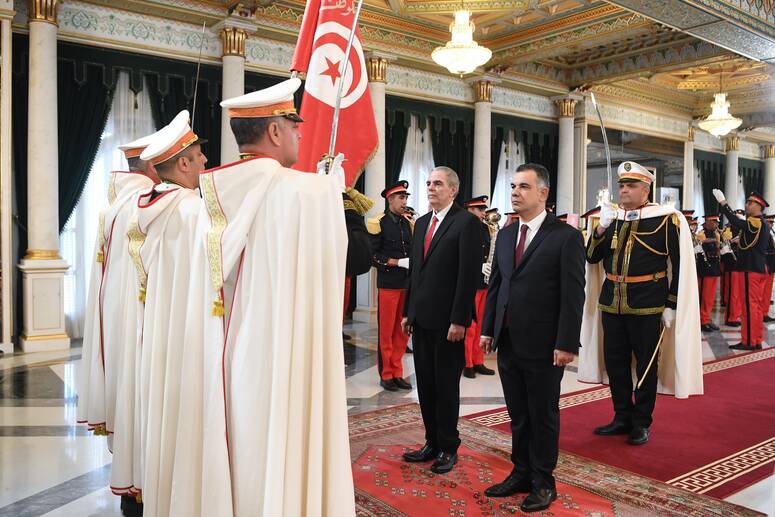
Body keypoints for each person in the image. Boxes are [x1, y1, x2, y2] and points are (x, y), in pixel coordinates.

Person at [172, 77, 355, 517]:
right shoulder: (304, 191)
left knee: (240, 437)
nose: (299, 134)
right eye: (294, 125)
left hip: (230, 347)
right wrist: (332, 186)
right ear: (274, 130)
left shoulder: (210, 194)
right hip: (286, 349)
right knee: (281, 438)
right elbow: (336, 258)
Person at [479, 163, 585, 513]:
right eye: (513, 186)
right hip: (509, 339)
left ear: (543, 193)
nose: (515, 192)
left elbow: (573, 294)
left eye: (523, 186)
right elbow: (497, 285)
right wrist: (489, 329)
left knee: (542, 414)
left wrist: (566, 342)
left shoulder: (565, 236)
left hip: (545, 343)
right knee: (518, 413)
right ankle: (521, 472)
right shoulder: (507, 233)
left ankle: (543, 481)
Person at [582, 161, 702, 446]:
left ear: (646, 189)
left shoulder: (665, 219)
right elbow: (592, 257)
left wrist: (671, 304)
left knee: (647, 366)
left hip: (648, 303)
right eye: (622, 185)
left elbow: (679, 265)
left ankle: (641, 422)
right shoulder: (610, 218)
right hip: (612, 302)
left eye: (631, 185)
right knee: (616, 363)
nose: (624, 190)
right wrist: (600, 231)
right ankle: (622, 416)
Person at [76, 131, 161, 517]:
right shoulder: (146, 205)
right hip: (141, 324)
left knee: (130, 405)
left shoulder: (115, 205)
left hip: (119, 324)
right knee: (142, 408)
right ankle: (140, 488)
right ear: (153, 165)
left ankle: (134, 489)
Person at [132, 110, 207, 516]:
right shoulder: (191, 210)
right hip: (188, 330)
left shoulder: (152, 205)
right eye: (198, 156)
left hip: (160, 327)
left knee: (163, 411)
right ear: (182, 164)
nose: (205, 161)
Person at [400, 166, 482, 474]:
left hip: (449, 322)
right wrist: (409, 312)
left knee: (446, 386)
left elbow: (467, 276)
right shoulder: (422, 223)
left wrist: (459, 320)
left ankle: (448, 446)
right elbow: (416, 272)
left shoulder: (466, 223)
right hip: (422, 318)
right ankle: (431, 442)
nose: (431, 188)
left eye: (437, 183)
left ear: (453, 190)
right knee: (426, 385)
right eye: (428, 183)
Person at [368, 180, 413, 391]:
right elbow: (372, 256)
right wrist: (396, 262)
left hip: (406, 284)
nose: (405, 202)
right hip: (388, 284)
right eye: (401, 198)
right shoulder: (379, 223)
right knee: (386, 332)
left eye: (406, 197)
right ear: (390, 199)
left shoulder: (408, 223)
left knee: (402, 331)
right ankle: (386, 374)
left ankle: (397, 372)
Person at [713, 189, 771, 350]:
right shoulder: (761, 223)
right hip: (756, 267)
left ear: (759, 206)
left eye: (751, 203)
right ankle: (755, 339)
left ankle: (750, 341)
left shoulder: (756, 222)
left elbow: (735, 221)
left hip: (749, 269)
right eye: (747, 202)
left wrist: (723, 203)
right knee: (755, 306)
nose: (747, 205)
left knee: (749, 306)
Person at [462, 195, 496, 379]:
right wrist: (477, 266)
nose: (484, 212)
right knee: (470, 326)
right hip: (470, 283)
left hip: (484, 282)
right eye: (480, 209)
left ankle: (478, 360)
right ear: (470, 210)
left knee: (482, 326)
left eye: (484, 209)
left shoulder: (485, 228)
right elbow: (460, 256)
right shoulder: (463, 227)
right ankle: (467, 363)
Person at [696, 215, 722, 332]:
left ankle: (706, 318)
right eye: (714, 222)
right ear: (707, 222)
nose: (716, 224)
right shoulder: (702, 233)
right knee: (704, 297)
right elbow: (699, 246)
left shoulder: (715, 234)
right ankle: (702, 320)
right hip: (705, 270)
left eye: (717, 222)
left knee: (710, 297)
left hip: (714, 269)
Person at [763, 214, 775, 323]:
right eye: (769, 222)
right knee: (763, 292)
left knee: (767, 292)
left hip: (771, 265)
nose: (771, 225)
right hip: (765, 265)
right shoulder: (763, 234)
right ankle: (762, 313)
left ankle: (765, 312)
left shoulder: (770, 234)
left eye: (772, 223)